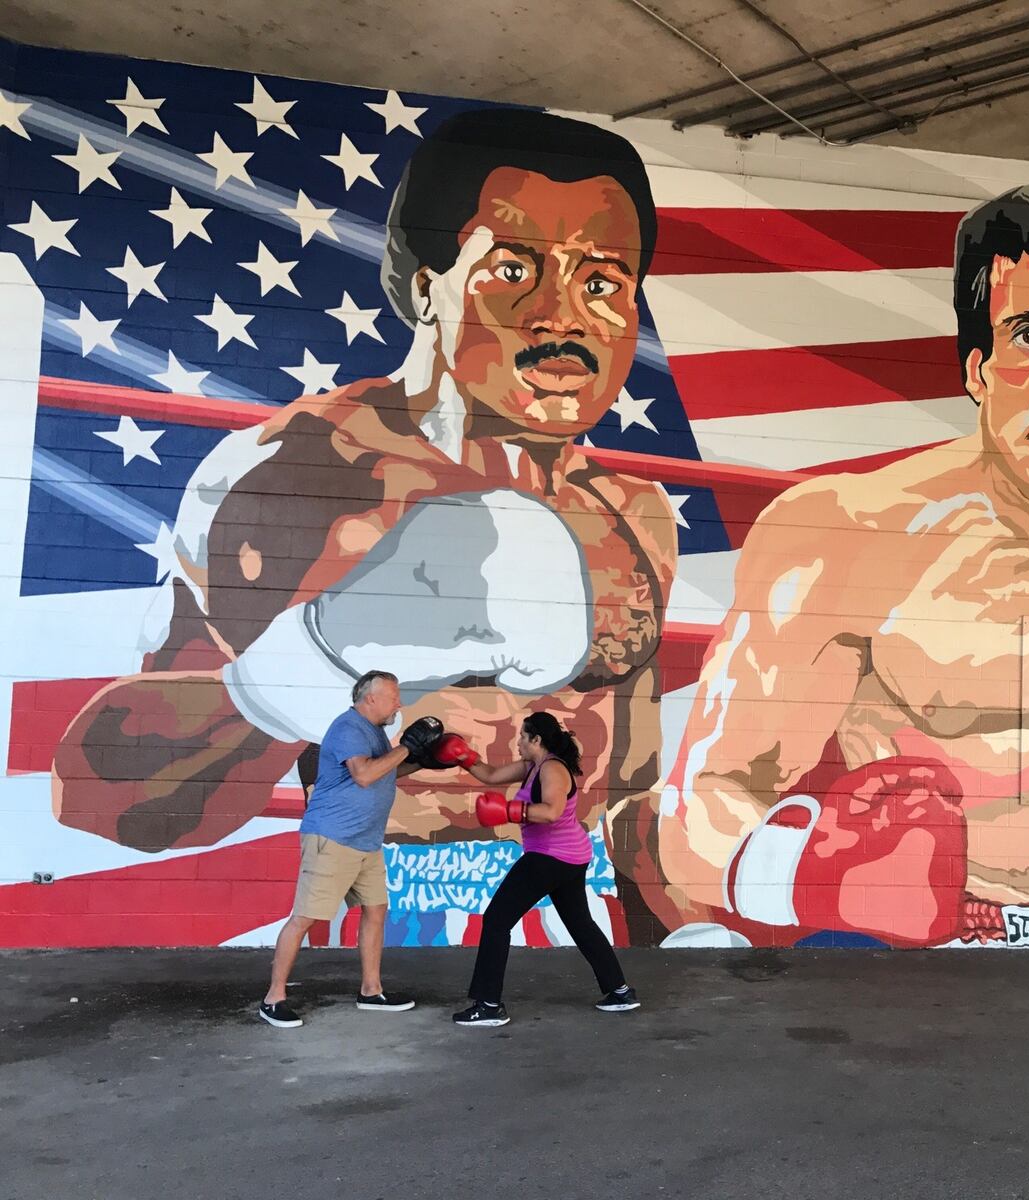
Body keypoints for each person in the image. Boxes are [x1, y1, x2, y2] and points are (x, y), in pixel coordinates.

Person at [614, 183, 1029, 949]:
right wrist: (795, 873)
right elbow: (706, 799)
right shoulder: (845, 533)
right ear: (978, 368)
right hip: (936, 945)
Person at [50, 110, 677, 913]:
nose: (564, 316)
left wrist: (670, 944)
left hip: (564, 898)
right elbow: (110, 798)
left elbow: (630, 794)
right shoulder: (304, 472)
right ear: (427, 286)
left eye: (602, 283)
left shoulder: (632, 513)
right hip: (384, 910)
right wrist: (314, 658)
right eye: (514, 271)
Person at [259, 670, 440, 1027]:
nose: (399, 703)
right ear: (370, 698)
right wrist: (408, 746)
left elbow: (384, 771)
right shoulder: (348, 727)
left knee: (376, 910)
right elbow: (364, 774)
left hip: (365, 842)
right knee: (305, 918)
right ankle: (273, 997)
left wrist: (425, 761)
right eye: (393, 697)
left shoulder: (373, 732)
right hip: (333, 838)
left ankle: (371, 991)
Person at [451, 712, 639, 1026]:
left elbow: (551, 811)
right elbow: (490, 775)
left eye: (523, 737)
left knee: (497, 920)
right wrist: (462, 756)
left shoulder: (552, 768)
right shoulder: (531, 767)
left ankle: (488, 1006)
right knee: (580, 923)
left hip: (552, 857)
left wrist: (509, 811)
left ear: (536, 739)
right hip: (569, 857)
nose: (518, 742)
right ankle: (619, 992)